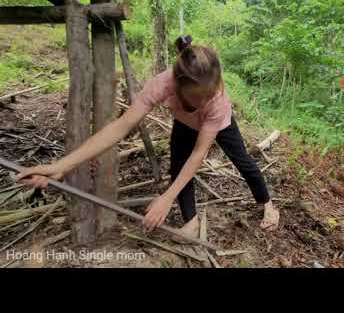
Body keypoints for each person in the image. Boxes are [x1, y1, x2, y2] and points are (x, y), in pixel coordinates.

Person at [16, 35, 280, 241]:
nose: (204, 101)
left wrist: (166, 197)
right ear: (177, 88)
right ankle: (191, 220)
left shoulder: (217, 102)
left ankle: (267, 203)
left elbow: (200, 154)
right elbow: (120, 127)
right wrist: (62, 166)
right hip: (184, 123)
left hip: (218, 125)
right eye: (197, 97)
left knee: (242, 161)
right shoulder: (162, 84)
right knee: (177, 166)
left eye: (208, 96)